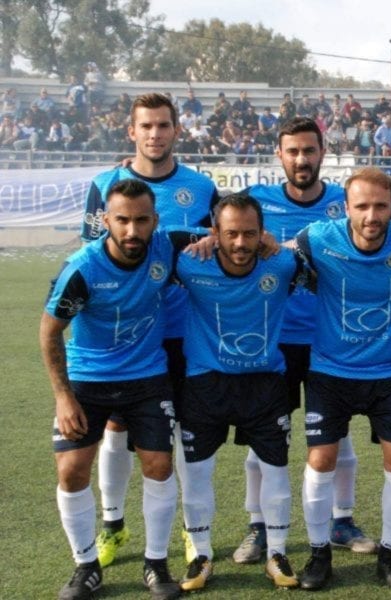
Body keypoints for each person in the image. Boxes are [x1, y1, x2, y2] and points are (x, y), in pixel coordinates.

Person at [80, 92, 219, 569]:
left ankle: (190, 531)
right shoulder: (104, 184)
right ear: (132, 131)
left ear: (177, 130)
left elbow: (220, 243)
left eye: (163, 125)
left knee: (183, 428)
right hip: (124, 333)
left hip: (183, 329)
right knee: (116, 427)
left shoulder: (201, 187)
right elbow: (91, 255)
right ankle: (113, 525)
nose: (155, 134)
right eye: (146, 126)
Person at [292, 167, 391, 590]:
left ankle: (389, 556)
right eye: (362, 206)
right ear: (345, 207)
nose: (372, 216)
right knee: (320, 460)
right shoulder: (317, 238)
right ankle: (319, 555)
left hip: (388, 371)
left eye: (381, 206)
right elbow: (276, 253)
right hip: (329, 370)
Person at [232, 118, 373, 564]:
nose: (301, 159)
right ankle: (257, 526)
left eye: (309, 150)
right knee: (261, 436)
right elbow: (216, 231)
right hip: (269, 341)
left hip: (330, 340)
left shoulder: (344, 203)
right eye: (292, 151)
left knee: (338, 435)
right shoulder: (256, 201)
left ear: (322, 153)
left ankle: (342, 520)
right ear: (279, 155)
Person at [42, 179, 187, 600]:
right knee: (72, 470)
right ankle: (86, 566)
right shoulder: (82, 268)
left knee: (158, 465)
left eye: (141, 220)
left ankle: (156, 564)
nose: (131, 230)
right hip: (88, 380)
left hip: (147, 377)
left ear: (155, 221)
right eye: (122, 220)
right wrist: (64, 397)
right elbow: (50, 332)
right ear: (105, 220)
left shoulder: (167, 246)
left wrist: (259, 241)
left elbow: (223, 235)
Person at [174, 194, 302, 591]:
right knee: (196, 473)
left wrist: (278, 244)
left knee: (275, 469)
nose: (241, 243)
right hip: (204, 384)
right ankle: (200, 555)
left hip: (264, 384)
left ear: (263, 233)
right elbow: (160, 238)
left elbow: (312, 247)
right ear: (215, 232)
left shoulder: (282, 264)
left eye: (250, 233)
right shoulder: (190, 263)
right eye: (230, 234)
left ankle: (276, 553)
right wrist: (197, 237)